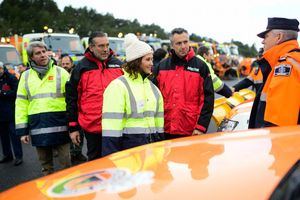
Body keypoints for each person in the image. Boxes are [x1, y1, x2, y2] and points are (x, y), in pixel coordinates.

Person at [102, 33, 164, 156]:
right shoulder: (117, 87)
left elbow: (159, 127)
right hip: (128, 153)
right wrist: (111, 160)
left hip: (151, 154)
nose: (152, 63)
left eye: (152, 59)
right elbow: (111, 129)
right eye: (147, 59)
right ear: (136, 62)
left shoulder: (154, 89)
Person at [66, 31, 123, 161]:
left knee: (116, 162)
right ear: (91, 47)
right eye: (101, 46)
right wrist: (73, 127)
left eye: (107, 45)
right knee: (95, 164)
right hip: (92, 127)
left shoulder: (119, 65)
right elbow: (72, 98)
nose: (105, 49)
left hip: (117, 125)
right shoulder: (81, 68)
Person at [15, 41, 71, 175]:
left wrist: (74, 123)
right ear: (31, 58)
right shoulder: (25, 76)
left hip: (61, 124)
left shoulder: (61, 73)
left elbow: (72, 99)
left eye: (44, 52)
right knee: (46, 168)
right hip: (38, 126)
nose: (42, 55)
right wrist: (22, 130)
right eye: (38, 53)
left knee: (66, 166)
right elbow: (21, 103)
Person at [153, 28, 214, 139]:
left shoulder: (201, 66)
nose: (183, 46)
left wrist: (201, 127)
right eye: (179, 43)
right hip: (165, 129)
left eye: (185, 42)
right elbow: (153, 98)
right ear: (172, 45)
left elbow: (208, 100)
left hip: (191, 130)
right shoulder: (161, 67)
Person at [253, 17, 300, 127]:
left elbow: (278, 124)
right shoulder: (290, 61)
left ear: (279, 37)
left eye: (266, 36)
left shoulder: (286, 66)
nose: (263, 41)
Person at [60, 55, 87, 164]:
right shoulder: (60, 75)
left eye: (67, 64)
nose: (65, 66)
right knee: (70, 134)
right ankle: (72, 154)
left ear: (71, 64)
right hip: (64, 109)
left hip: (77, 109)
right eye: (63, 64)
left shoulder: (76, 74)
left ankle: (77, 153)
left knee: (80, 133)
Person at [0, 62, 23, 166]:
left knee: (14, 135)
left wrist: (3, 93)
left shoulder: (11, 78)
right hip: (1, 113)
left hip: (11, 112)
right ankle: (7, 155)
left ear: (2, 68)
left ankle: (18, 156)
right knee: (3, 136)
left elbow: (16, 92)